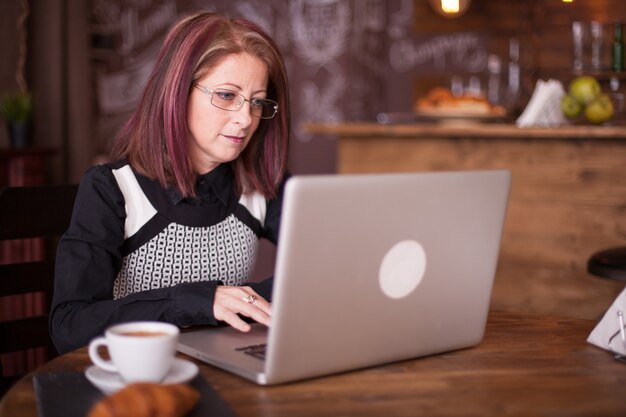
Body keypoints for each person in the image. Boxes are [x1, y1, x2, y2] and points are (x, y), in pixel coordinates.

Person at [50, 11, 290, 354]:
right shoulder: (112, 189)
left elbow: (322, 268)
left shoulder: (263, 183)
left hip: (226, 374)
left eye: (256, 102)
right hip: (133, 385)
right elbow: (69, 325)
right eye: (226, 95)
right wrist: (199, 301)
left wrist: (242, 299)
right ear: (177, 92)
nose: (245, 118)